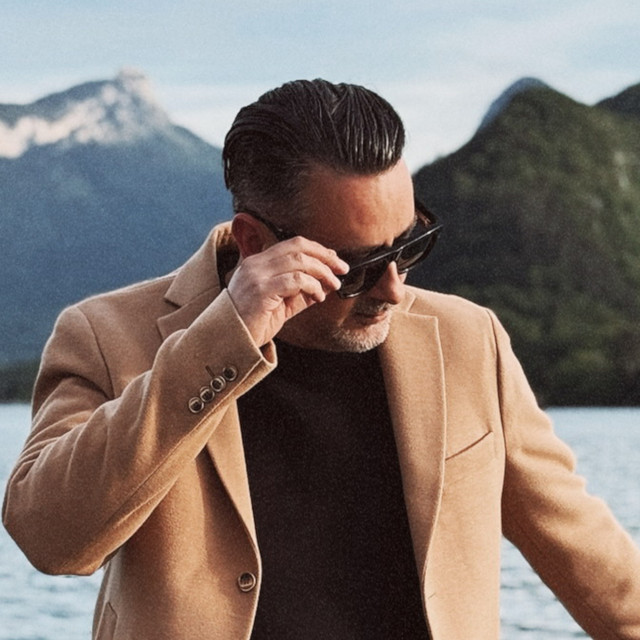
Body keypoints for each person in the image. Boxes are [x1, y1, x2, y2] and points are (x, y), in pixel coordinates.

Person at [3, 79, 640, 640]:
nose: (394, 289)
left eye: (409, 245)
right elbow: (51, 538)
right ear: (255, 242)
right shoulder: (105, 335)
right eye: (358, 267)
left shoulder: (469, 340)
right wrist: (220, 342)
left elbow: (587, 554)